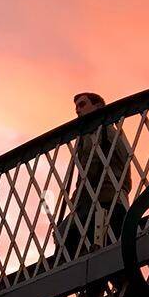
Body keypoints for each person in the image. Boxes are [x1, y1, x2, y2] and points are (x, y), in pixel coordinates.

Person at [56, 92, 132, 266]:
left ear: (98, 106)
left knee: (64, 233)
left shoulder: (99, 132)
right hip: (112, 200)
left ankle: (71, 274)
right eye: (76, 107)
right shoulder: (109, 131)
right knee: (111, 257)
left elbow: (93, 165)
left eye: (82, 105)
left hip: (102, 201)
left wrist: (77, 198)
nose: (77, 110)